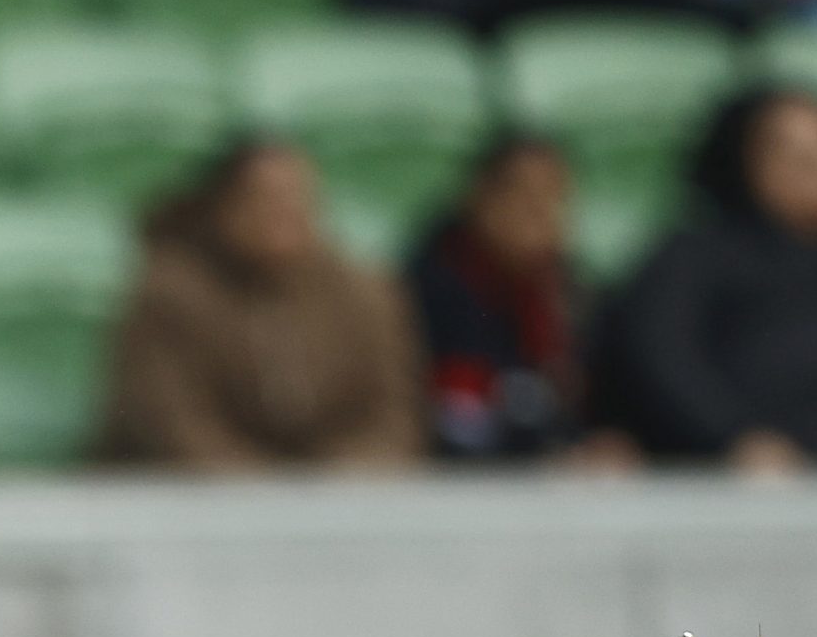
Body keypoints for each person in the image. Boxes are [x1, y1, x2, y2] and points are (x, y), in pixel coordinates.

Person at [598, 87, 817, 472]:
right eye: (788, 151)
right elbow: (659, 357)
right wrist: (732, 437)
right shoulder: (694, 256)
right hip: (745, 487)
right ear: (742, 160)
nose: (813, 166)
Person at [93, 138, 425, 471]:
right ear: (222, 205)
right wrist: (263, 492)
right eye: (263, 198)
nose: (282, 211)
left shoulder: (365, 295)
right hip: (192, 502)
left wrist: (346, 477)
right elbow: (171, 424)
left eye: (296, 197)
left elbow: (392, 416)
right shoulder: (168, 294)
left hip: (335, 501)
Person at [406, 134, 625, 463]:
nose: (542, 215)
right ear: (482, 199)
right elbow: (457, 427)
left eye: (557, 199)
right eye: (526, 198)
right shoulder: (428, 294)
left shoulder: (574, 296)